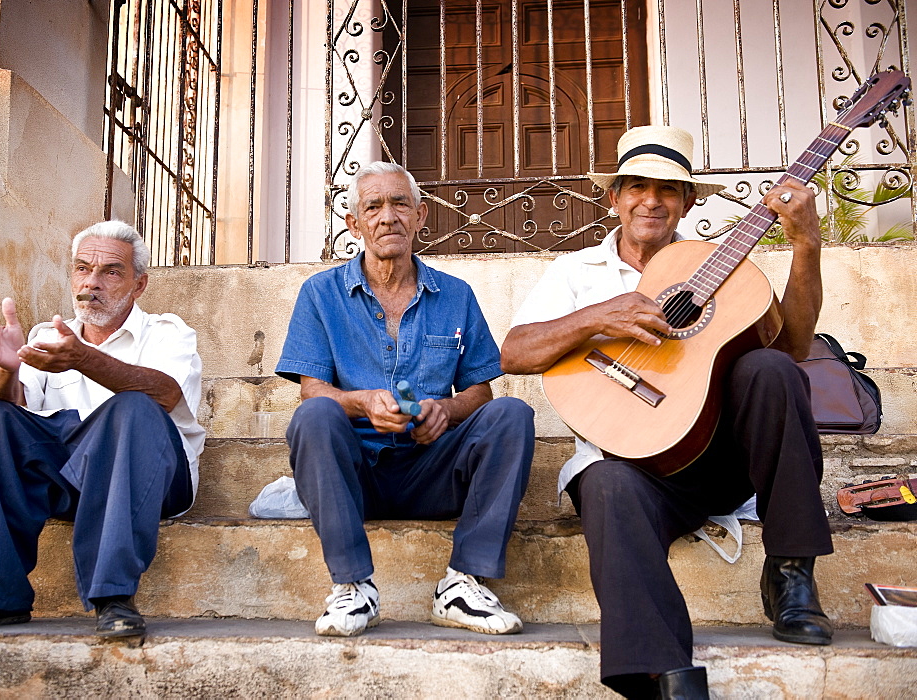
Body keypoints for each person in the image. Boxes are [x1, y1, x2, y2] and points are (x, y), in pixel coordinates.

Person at [501, 126, 832, 699]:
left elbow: (798, 345)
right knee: (601, 481)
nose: (650, 200)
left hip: (716, 458)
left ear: (688, 202)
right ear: (615, 197)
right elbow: (514, 353)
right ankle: (664, 678)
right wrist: (596, 317)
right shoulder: (577, 274)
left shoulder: (723, 268)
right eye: (636, 186)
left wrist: (805, 245)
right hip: (630, 467)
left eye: (667, 189)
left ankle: (790, 574)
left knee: (774, 370)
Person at [276, 162, 535, 637]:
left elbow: (480, 390)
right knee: (314, 413)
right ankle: (353, 586)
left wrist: (446, 410)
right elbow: (313, 388)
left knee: (511, 413)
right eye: (372, 206)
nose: (387, 216)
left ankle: (463, 583)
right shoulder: (320, 294)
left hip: (431, 469)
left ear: (420, 216)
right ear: (354, 224)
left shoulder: (456, 295)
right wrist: (364, 402)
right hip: (355, 475)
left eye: (400, 203)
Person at [0, 221, 204, 639]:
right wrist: (8, 367)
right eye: (82, 269)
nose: (92, 282)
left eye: (111, 271)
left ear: (138, 285)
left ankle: (112, 596)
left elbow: (164, 395)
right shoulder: (46, 336)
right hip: (68, 480)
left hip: (153, 480)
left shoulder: (169, 333)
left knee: (133, 406)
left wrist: (83, 359)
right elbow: (6, 409)